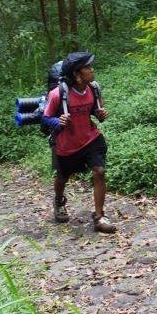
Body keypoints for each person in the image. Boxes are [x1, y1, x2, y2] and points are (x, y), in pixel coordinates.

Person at [42, 51, 117, 234]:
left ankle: (99, 217)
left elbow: (93, 110)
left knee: (99, 171)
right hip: (67, 144)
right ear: (77, 74)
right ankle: (59, 200)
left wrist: (100, 114)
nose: (92, 70)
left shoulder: (93, 88)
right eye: (88, 67)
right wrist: (56, 122)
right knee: (62, 178)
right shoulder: (57, 94)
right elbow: (45, 118)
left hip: (91, 138)